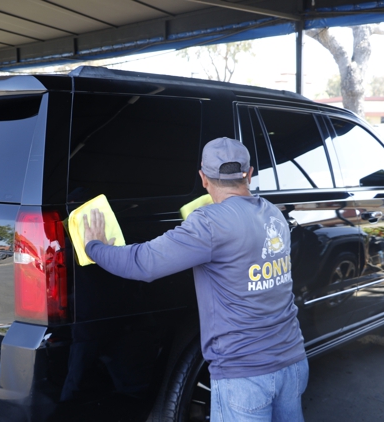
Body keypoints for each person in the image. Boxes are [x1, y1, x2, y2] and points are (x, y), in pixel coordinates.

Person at [83, 137, 308, 422]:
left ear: (203, 178)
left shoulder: (210, 223)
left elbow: (144, 263)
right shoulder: (273, 214)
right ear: (249, 174)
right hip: (293, 361)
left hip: (245, 374)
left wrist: (95, 247)